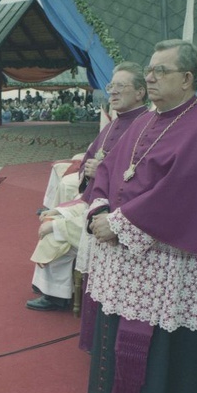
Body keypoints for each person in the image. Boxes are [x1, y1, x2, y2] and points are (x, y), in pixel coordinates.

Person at [81, 39, 197, 393]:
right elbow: (108, 170)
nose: (149, 77)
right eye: (149, 70)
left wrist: (118, 225)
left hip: (167, 266)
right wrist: (99, 209)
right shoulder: (142, 121)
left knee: (159, 343)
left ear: (187, 79)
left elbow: (185, 196)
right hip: (123, 259)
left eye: (160, 71)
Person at [28, 62, 149, 312]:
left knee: (54, 230)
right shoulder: (114, 123)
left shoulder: (146, 126)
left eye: (120, 87)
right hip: (92, 199)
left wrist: (104, 170)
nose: (113, 92)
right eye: (111, 86)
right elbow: (88, 160)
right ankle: (53, 290)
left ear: (140, 92)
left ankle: (57, 295)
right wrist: (89, 171)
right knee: (52, 219)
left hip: (115, 208)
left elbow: (140, 173)